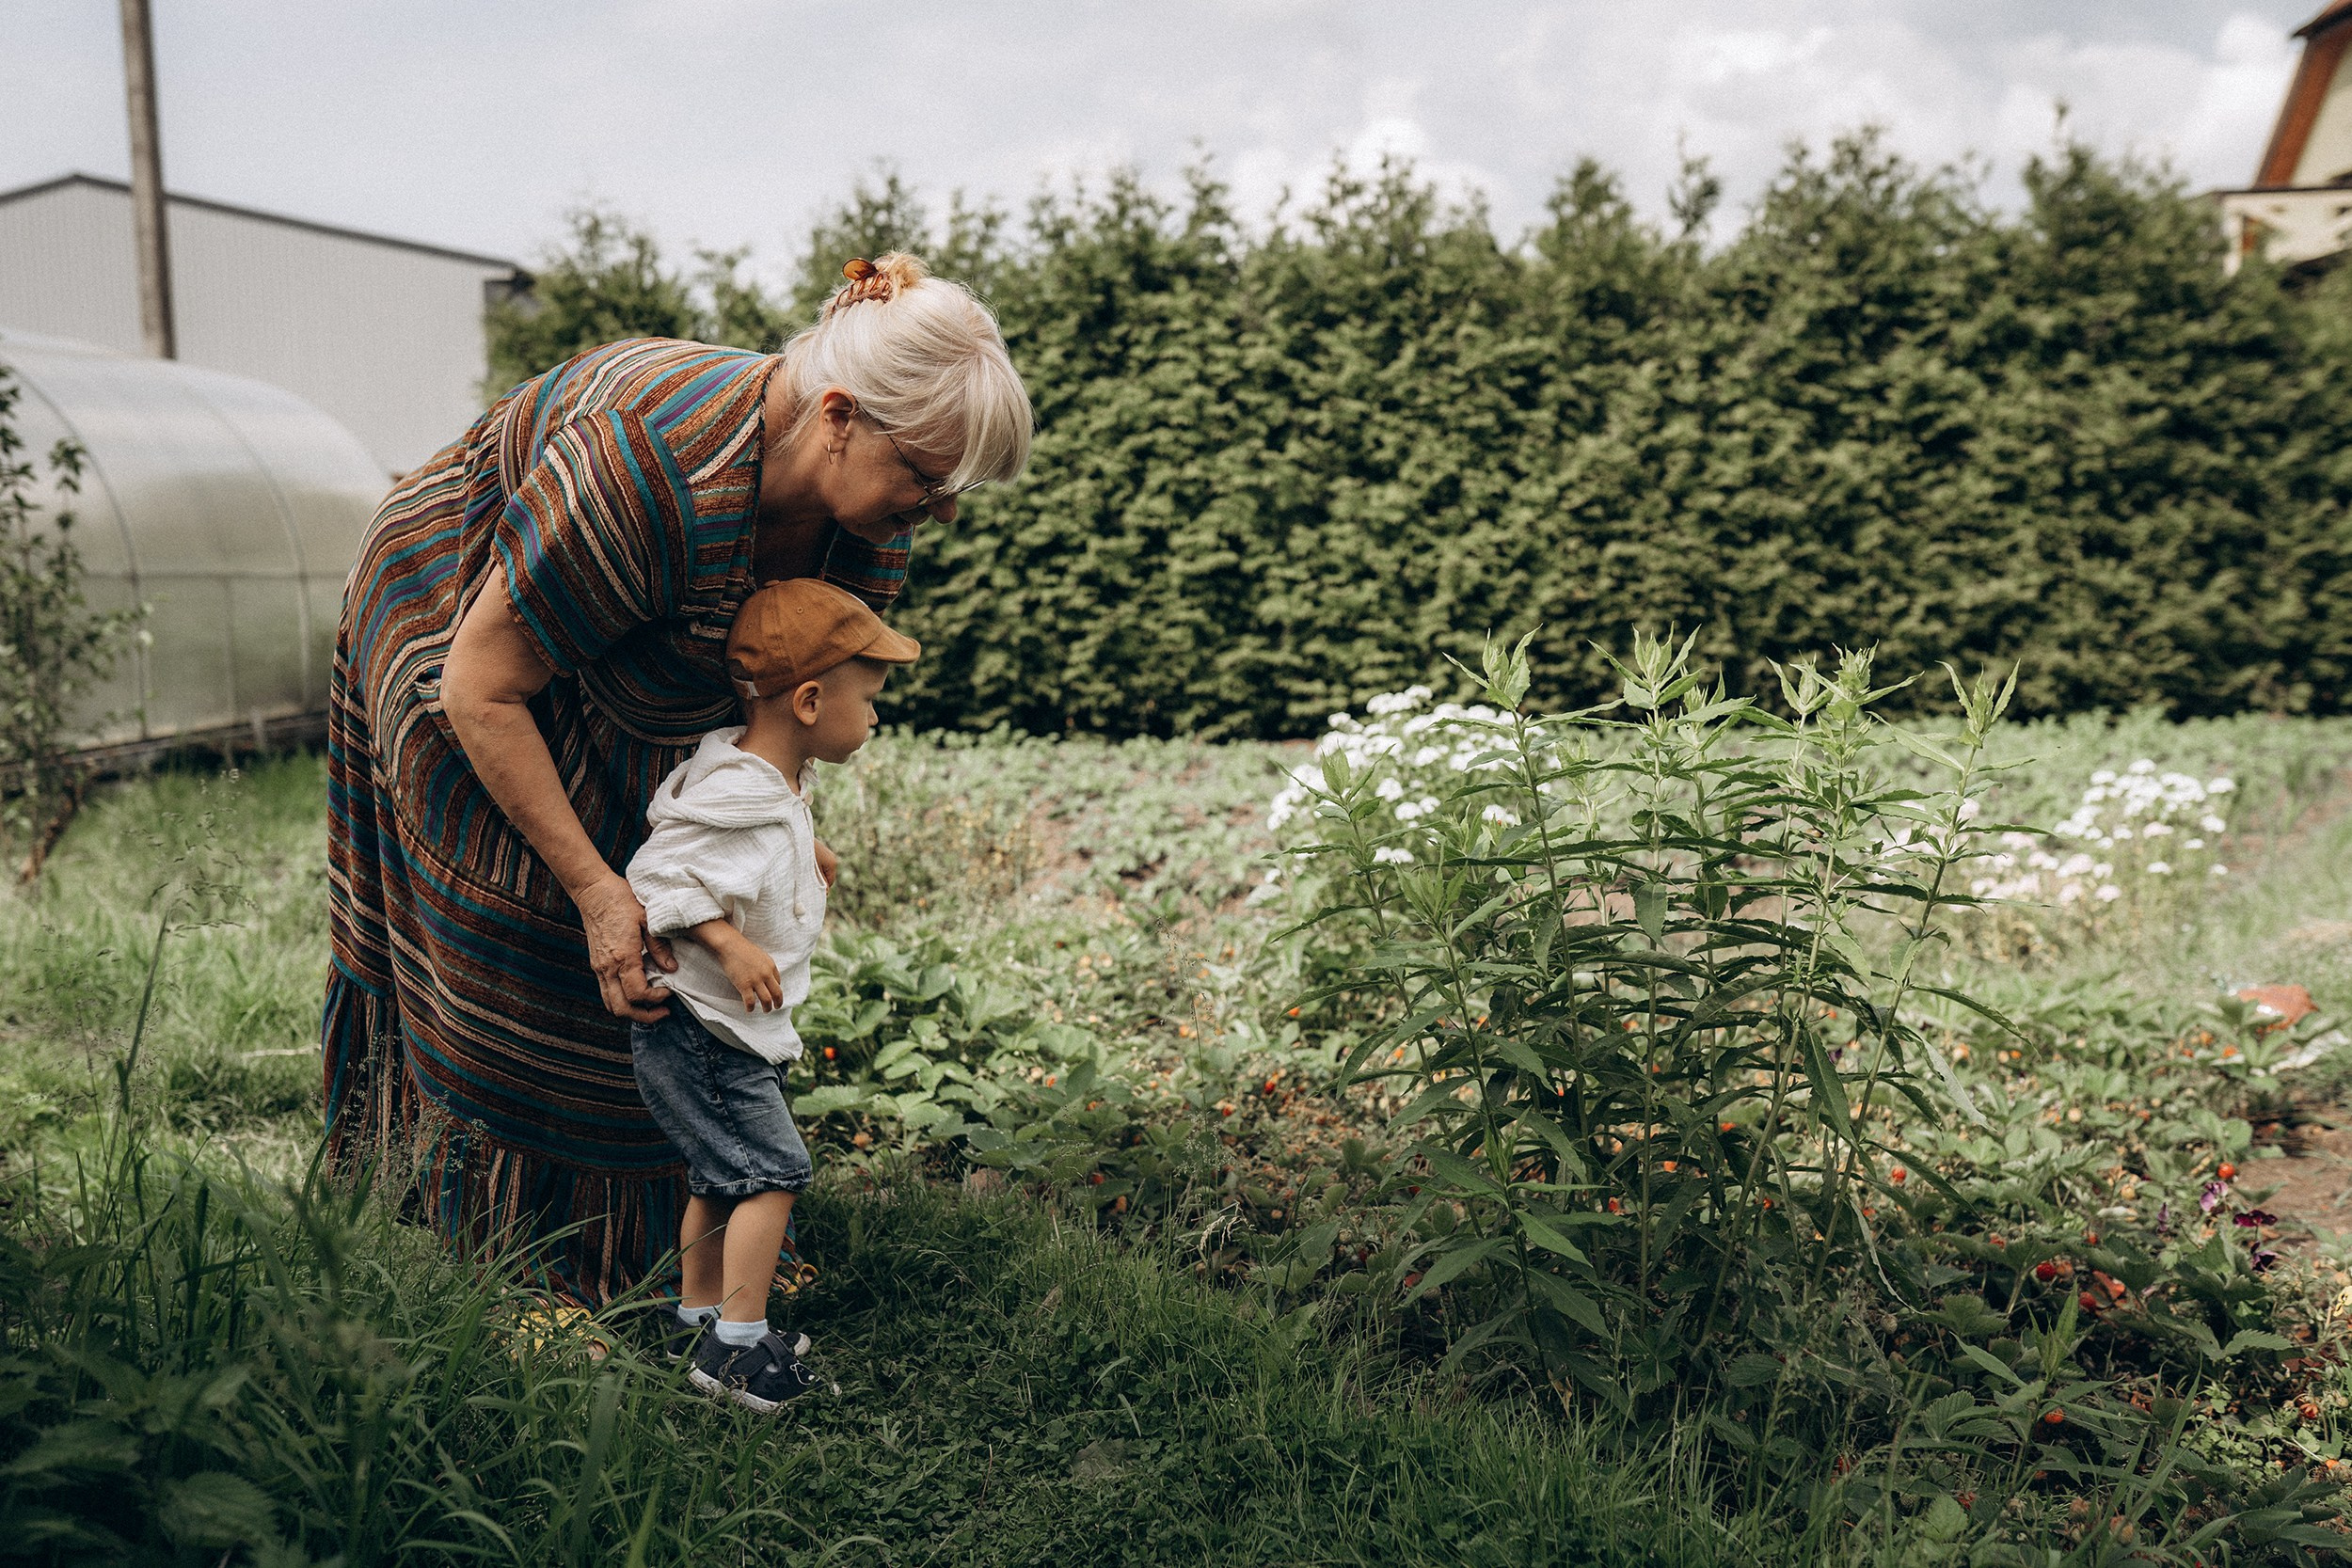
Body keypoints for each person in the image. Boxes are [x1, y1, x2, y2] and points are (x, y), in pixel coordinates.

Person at [322, 253, 1030, 1307]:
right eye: (926, 478)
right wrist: (600, 890)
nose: (940, 512)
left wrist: (778, 822)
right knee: (529, 929)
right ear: (839, 415)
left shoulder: (860, 520)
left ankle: (663, 1256)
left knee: (666, 951)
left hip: (604, 654)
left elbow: (790, 693)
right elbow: (482, 684)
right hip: (448, 617)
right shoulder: (648, 469)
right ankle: (506, 1273)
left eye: (956, 488)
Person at [624, 578, 914, 1409]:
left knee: (720, 1174)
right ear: (813, 700)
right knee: (774, 1170)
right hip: (704, 1026)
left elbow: (761, 825)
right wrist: (725, 939)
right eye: (871, 699)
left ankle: (701, 1317)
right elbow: (658, 876)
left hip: (719, 1028)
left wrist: (806, 843)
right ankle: (740, 1352)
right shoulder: (732, 796)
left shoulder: (760, 781)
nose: (876, 716)